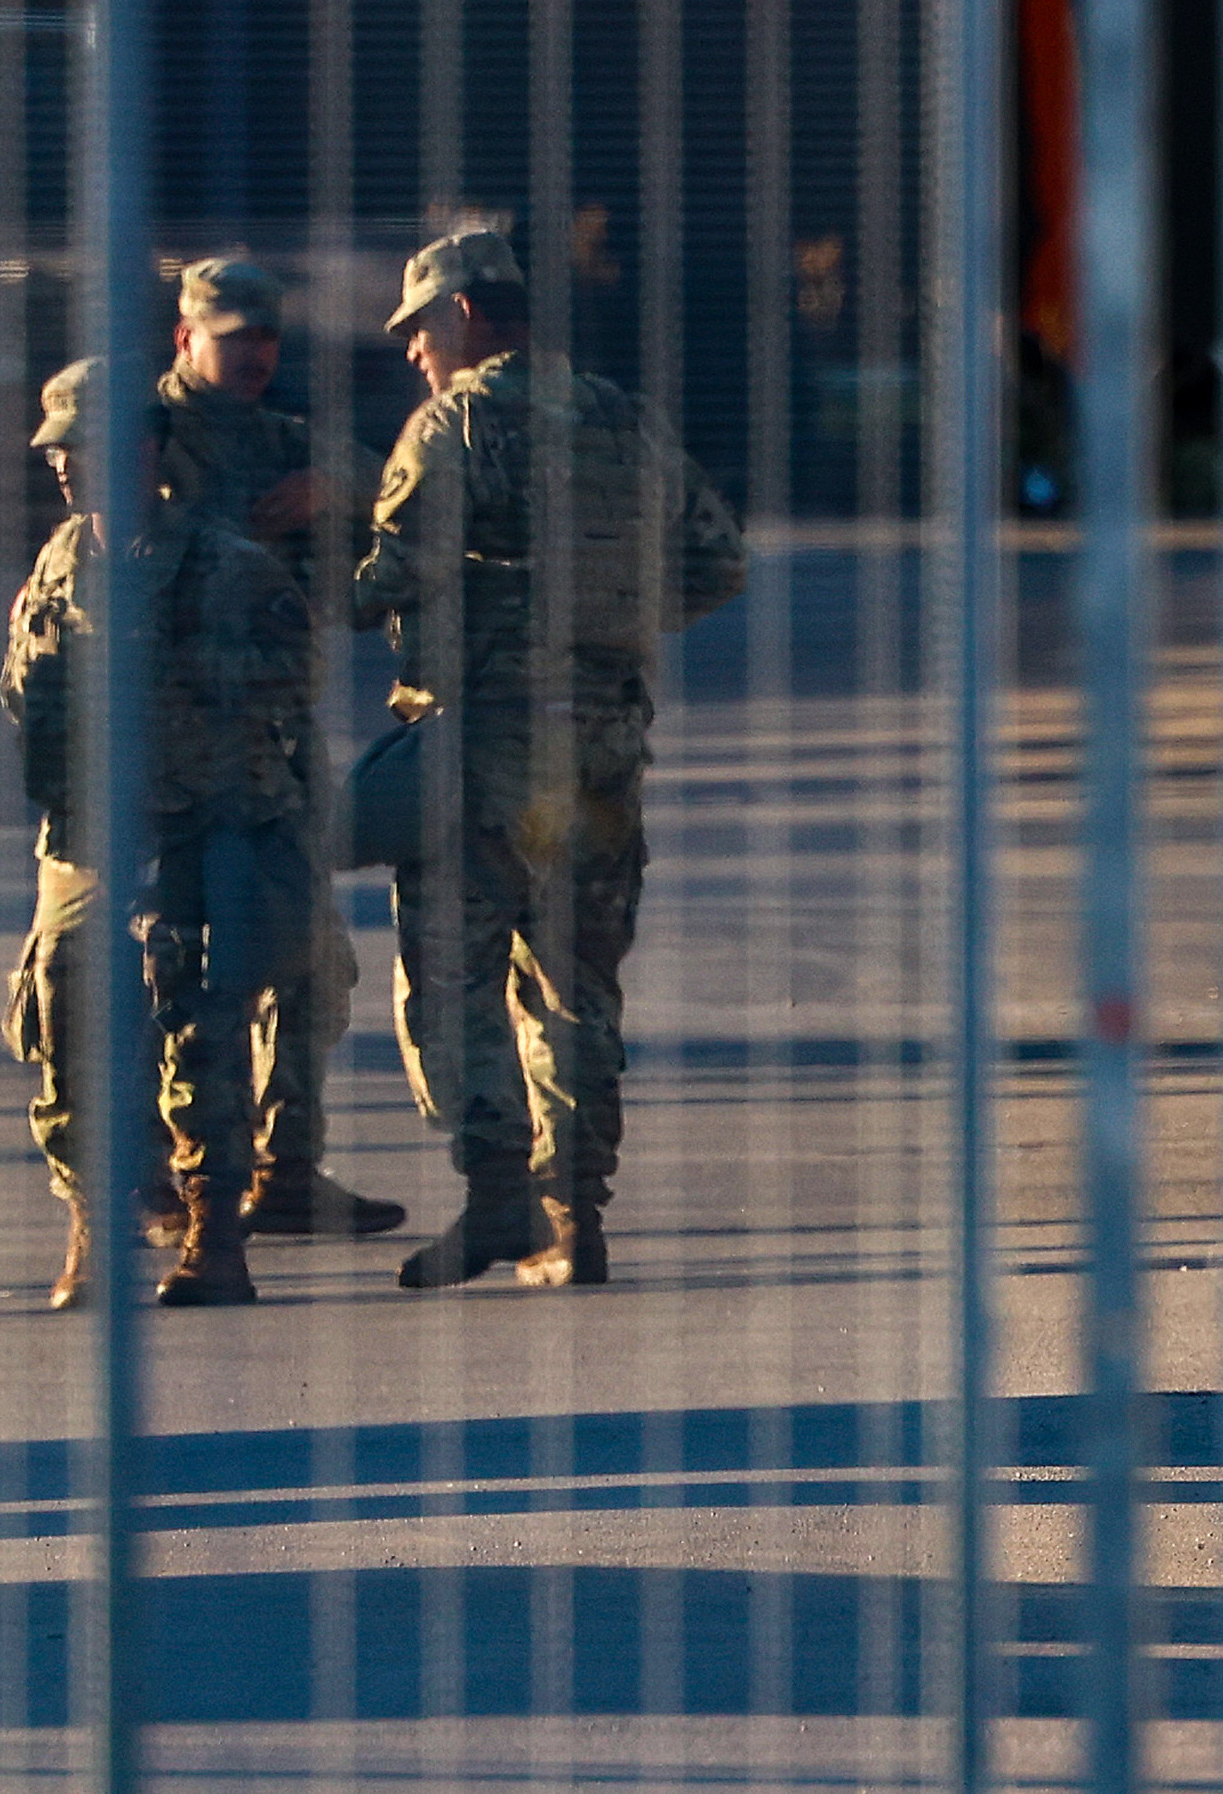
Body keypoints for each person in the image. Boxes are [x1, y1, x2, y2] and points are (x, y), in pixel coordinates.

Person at [353, 228, 746, 1289]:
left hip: (485, 748)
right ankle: (578, 1220)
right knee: (575, 985)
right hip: (605, 744)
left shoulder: (455, 424)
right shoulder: (628, 420)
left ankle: (496, 1199)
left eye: (418, 328)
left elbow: (384, 578)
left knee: (450, 977)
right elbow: (718, 559)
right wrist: (605, 620)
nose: (410, 353)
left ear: (467, 315)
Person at [2, 358, 319, 1307]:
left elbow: (287, 689)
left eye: (82, 449)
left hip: (197, 830)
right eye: (56, 453)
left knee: (202, 1035)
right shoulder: (59, 562)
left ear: (141, 451)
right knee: (66, 1031)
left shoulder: (227, 565)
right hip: (86, 841)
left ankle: (215, 1236)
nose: (64, 469)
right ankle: (95, 1233)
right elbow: (25, 686)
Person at [155, 256, 398, 1239]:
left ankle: (286, 1167)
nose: (254, 352)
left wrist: (332, 489)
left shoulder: (283, 440)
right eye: (232, 336)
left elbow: (398, 485)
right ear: (185, 339)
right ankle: (179, 1177)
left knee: (308, 956)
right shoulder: (146, 440)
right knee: (177, 962)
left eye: (266, 336)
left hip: (279, 739)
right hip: (174, 748)